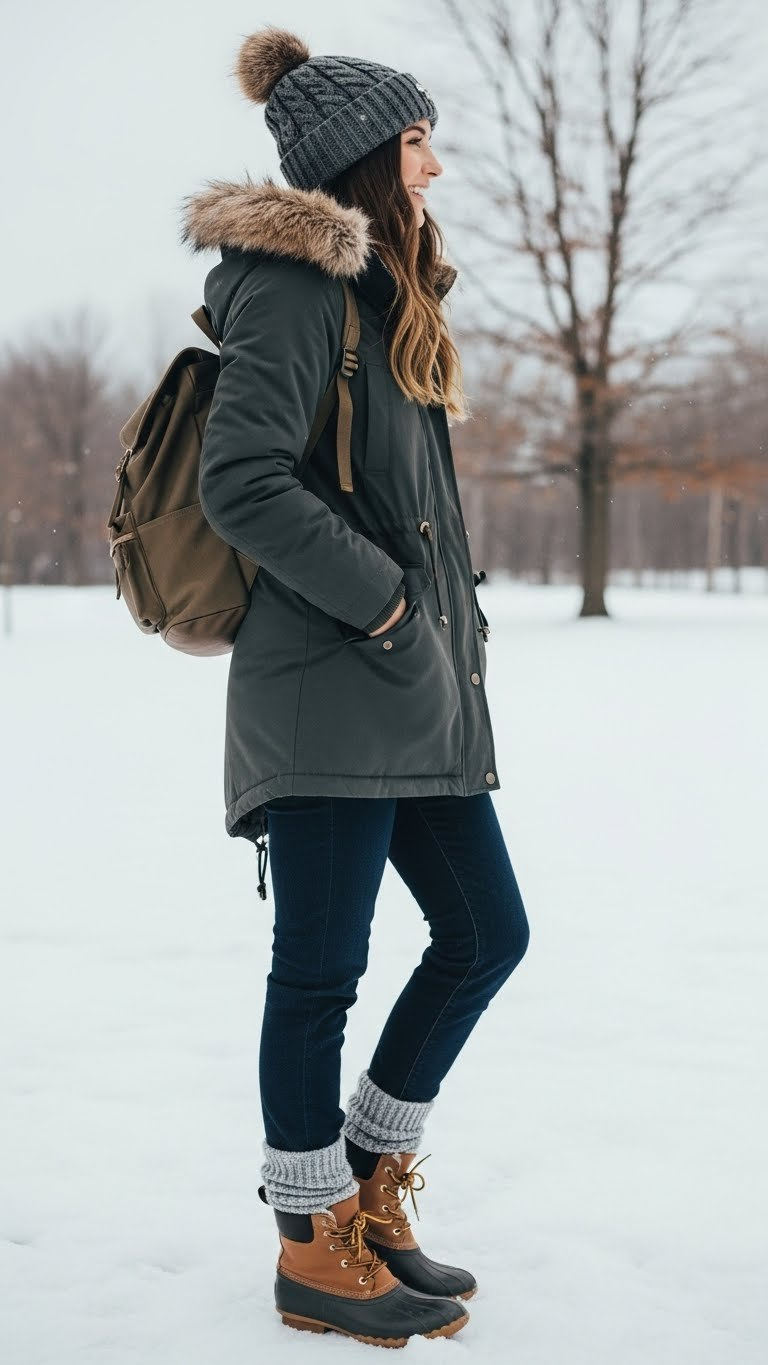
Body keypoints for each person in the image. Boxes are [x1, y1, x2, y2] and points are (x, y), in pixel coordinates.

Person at [181, 25, 530, 1347]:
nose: (435, 165)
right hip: (332, 685)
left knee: (488, 931)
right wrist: (387, 604)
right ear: (372, 157)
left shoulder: (388, 293)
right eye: (419, 141)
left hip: (410, 690)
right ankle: (308, 1241)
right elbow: (244, 481)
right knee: (319, 970)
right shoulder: (291, 284)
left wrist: (434, 628)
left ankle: (371, 1185)